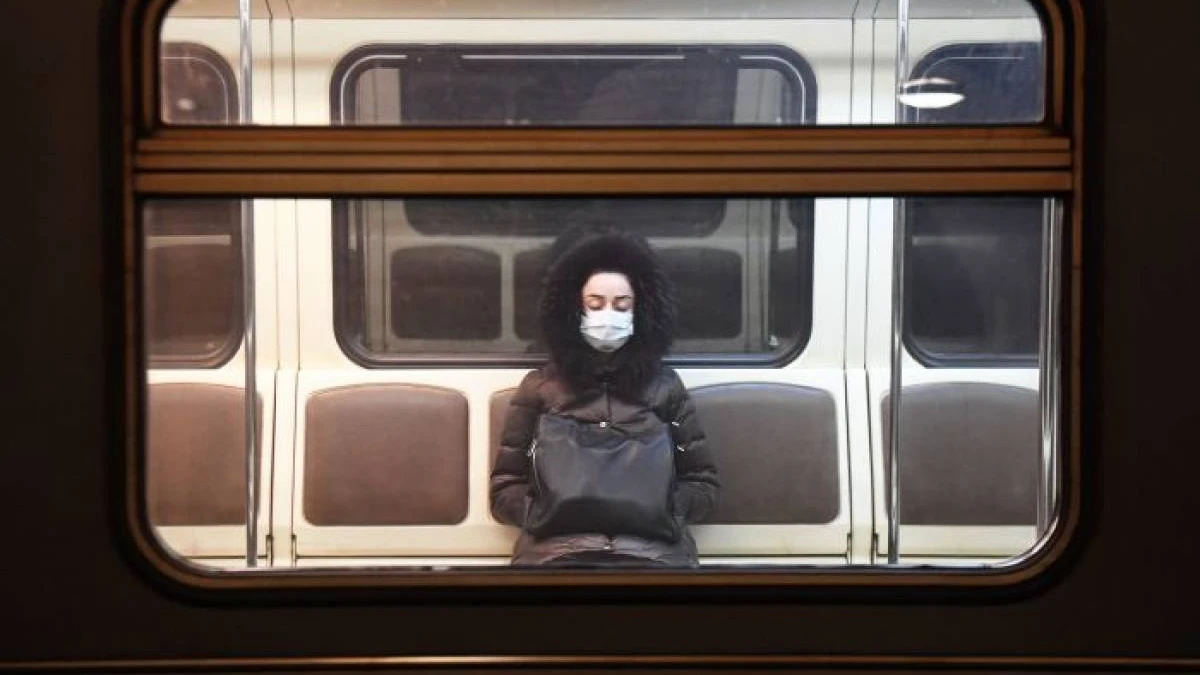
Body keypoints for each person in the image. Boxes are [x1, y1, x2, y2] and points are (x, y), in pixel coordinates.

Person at [489, 227, 720, 567]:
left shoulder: (666, 387)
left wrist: (664, 509)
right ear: (574, 311)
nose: (608, 315)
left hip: (652, 554)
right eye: (595, 304)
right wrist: (545, 512)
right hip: (556, 553)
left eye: (622, 305)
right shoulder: (539, 387)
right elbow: (504, 487)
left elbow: (703, 483)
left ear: (640, 313)